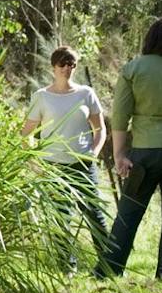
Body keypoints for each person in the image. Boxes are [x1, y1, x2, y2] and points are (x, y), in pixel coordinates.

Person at [98, 17, 162, 280]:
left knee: (130, 210)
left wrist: (120, 154)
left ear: (149, 39)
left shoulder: (134, 69)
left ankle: (110, 269)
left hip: (147, 150)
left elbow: (120, 116)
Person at [21, 45, 111, 263]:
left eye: (71, 64)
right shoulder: (41, 97)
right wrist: (35, 162)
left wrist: (93, 152)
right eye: (62, 63)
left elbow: (100, 129)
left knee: (94, 213)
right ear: (53, 66)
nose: (66, 68)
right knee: (60, 217)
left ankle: (110, 264)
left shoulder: (86, 93)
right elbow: (25, 134)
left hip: (82, 163)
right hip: (53, 166)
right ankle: (67, 265)